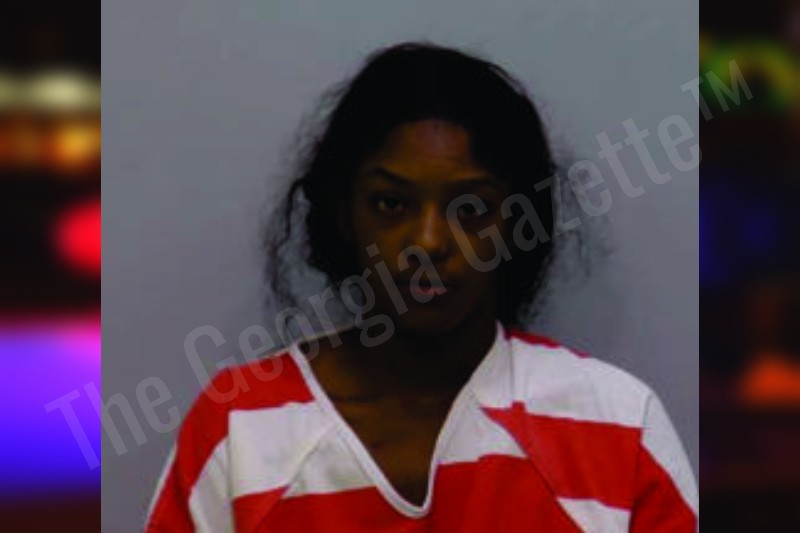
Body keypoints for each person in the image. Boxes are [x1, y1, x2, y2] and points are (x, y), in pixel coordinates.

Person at [146, 42, 697, 532]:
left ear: (516, 224)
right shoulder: (240, 430)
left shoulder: (618, 427)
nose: (428, 241)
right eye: (391, 204)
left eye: (471, 209)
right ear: (343, 214)